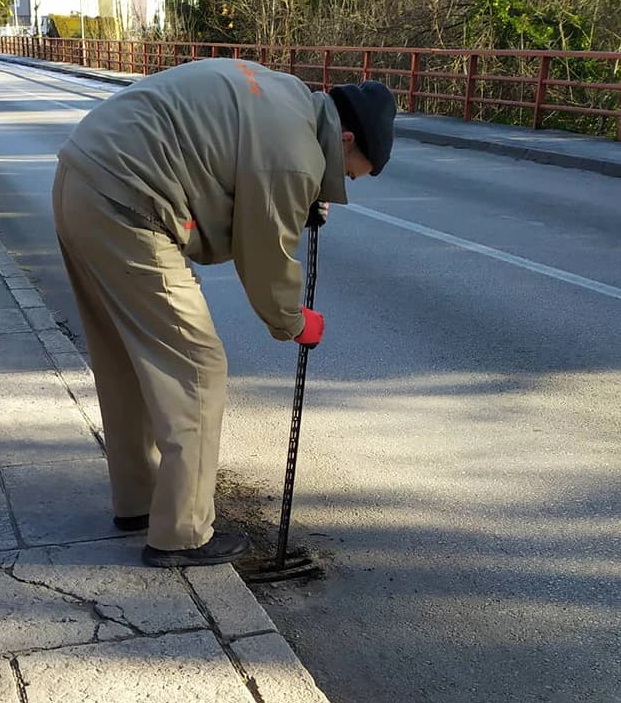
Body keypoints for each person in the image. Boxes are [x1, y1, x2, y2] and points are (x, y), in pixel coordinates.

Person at [52, 57, 397, 568]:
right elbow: (265, 257)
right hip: (131, 205)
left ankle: (139, 500)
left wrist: (301, 198)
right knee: (196, 368)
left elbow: (238, 178)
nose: (345, 185)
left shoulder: (289, 100)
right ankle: (183, 533)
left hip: (84, 180)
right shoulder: (296, 154)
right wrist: (295, 323)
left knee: (128, 361)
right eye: (350, 174)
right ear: (345, 140)